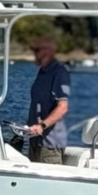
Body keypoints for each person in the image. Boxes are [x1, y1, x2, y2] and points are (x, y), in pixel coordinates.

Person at [26, 35, 71, 164]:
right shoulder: (42, 73)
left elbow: (62, 107)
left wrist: (41, 126)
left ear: (47, 52)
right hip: (34, 141)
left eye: (36, 51)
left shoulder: (60, 73)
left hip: (50, 146)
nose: (34, 54)